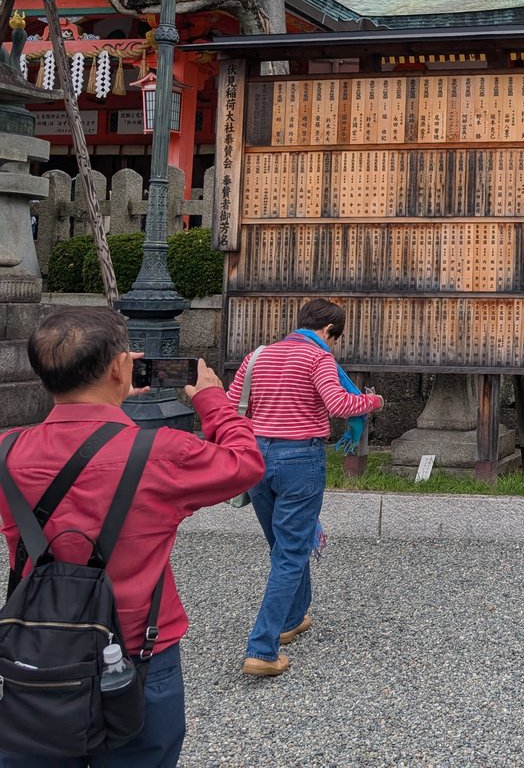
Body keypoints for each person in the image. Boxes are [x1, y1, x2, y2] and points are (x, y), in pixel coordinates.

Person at [0, 307, 263, 768]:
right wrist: (212, 400)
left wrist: (104, 397)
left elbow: (62, 438)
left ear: (43, 376)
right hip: (138, 651)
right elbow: (245, 464)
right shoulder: (163, 453)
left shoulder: (7, 451)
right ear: (122, 366)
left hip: (35, 653)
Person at [228, 298, 382, 677]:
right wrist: (373, 400)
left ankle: (293, 617)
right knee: (292, 550)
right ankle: (262, 647)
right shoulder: (318, 358)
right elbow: (340, 404)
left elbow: (233, 406)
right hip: (300, 458)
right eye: (334, 337)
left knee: (283, 545)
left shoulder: (257, 356)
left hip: (258, 458)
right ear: (328, 331)